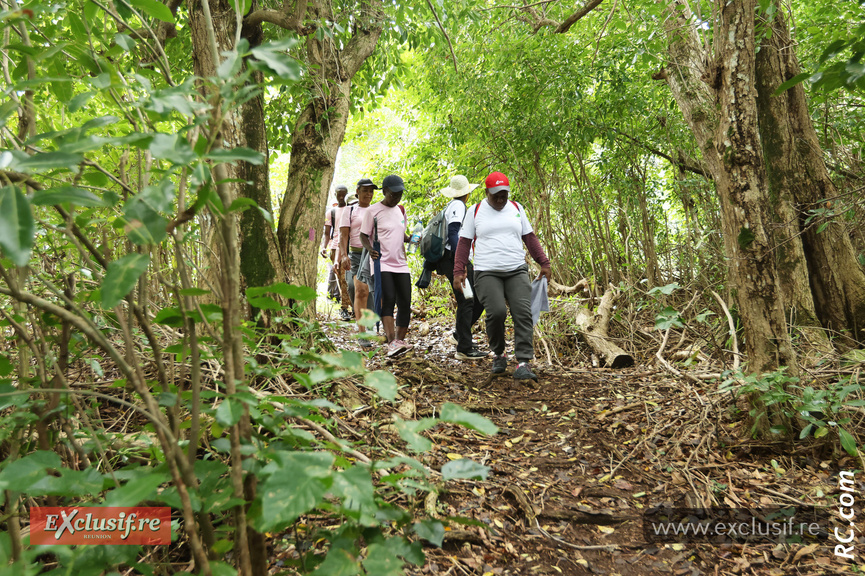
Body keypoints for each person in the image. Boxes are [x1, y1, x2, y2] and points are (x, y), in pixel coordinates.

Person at [453, 171, 552, 381]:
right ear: (487, 192)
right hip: (487, 271)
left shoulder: (516, 208)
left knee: (522, 313)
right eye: (495, 195)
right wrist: (459, 270)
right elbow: (463, 242)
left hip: (516, 269)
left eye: (503, 195)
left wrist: (543, 262)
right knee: (496, 312)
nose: (500, 199)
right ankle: (499, 354)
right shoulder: (475, 211)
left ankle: (523, 362)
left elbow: (529, 237)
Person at [433, 175, 486, 360]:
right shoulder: (458, 206)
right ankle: (464, 348)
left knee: (476, 298)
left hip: (453, 258)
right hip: (453, 258)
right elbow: (455, 233)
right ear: (467, 192)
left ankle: (460, 335)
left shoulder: (453, 206)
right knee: (468, 300)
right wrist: (460, 262)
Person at [360, 174, 413, 358]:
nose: (397, 198)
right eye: (393, 194)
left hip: (400, 263)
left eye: (399, 194)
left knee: (405, 301)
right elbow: (363, 235)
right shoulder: (373, 211)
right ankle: (391, 342)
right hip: (381, 262)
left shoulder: (401, 210)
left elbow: (402, 234)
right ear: (384, 192)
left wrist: (412, 239)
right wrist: (369, 249)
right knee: (388, 299)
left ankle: (399, 340)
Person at [339, 179, 378, 347]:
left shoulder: (377, 210)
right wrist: (343, 255)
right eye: (365, 191)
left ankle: (369, 327)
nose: (368, 194)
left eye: (371, 191)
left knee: (370, 291)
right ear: (358, 192)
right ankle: (362, 333)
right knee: (359, 290)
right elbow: (343, 235)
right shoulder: (349, 210)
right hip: (355, 254)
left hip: (372, 254)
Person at [321, 185, 351, 320]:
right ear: (335, 194)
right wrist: (324, 247)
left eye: (343, 194)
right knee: (341, 278)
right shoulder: (331, 213)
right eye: (339, 194)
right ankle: (344, 307)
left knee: (351, 279)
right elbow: (327, 233)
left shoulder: (351, 209)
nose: (341, 197)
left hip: (350, 245)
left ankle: (352, 306)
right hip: (335, 247)